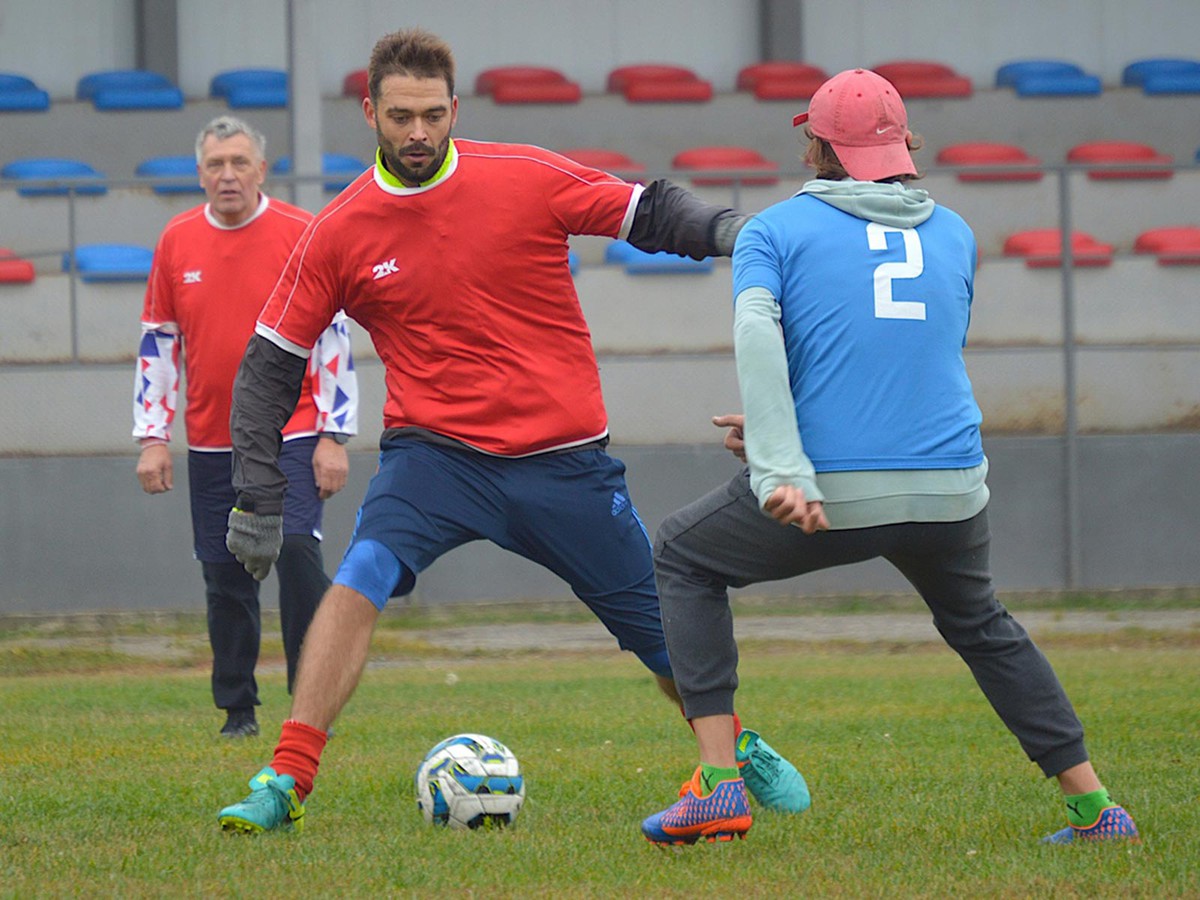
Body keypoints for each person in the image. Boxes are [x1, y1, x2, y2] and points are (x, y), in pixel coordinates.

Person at [215, 27, 807, 834]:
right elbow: (269, 366)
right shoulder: (340, 231)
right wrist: (257, 491)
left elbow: (647, 210)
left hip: (565, 465)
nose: (417, 132)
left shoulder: (525, 175)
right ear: (370, 113)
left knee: (663, 643)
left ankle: (734, 747)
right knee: (360, 573)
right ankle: (284, 780)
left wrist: (735, 233)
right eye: (399, 116)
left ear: (454, 108)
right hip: (435, 461)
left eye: (430, 113)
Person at [640, 68, 1140, 847]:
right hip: (951, 489)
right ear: (904, 142)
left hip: (833, 491)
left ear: (817, 148)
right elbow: (905, 355)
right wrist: (789, 429)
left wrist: (781, 464)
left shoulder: (774, 230)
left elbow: (757, 341)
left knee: (681, 554)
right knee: (983, 624)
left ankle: (716, 784)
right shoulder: (958, 234)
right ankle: (1095, 807)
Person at [134, 115, 359, 739]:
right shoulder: (176, 241)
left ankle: (308, 706)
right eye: (215, 164)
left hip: (293, 429)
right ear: (200, 173)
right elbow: (159, 345)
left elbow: (332, 337)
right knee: (225, 573)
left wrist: (334, 435)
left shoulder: (299, 232)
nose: (227, 175)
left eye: (239, 162)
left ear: (262, 169)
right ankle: (238, 709)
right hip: (211, 438)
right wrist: (154, 437)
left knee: (294, 550)